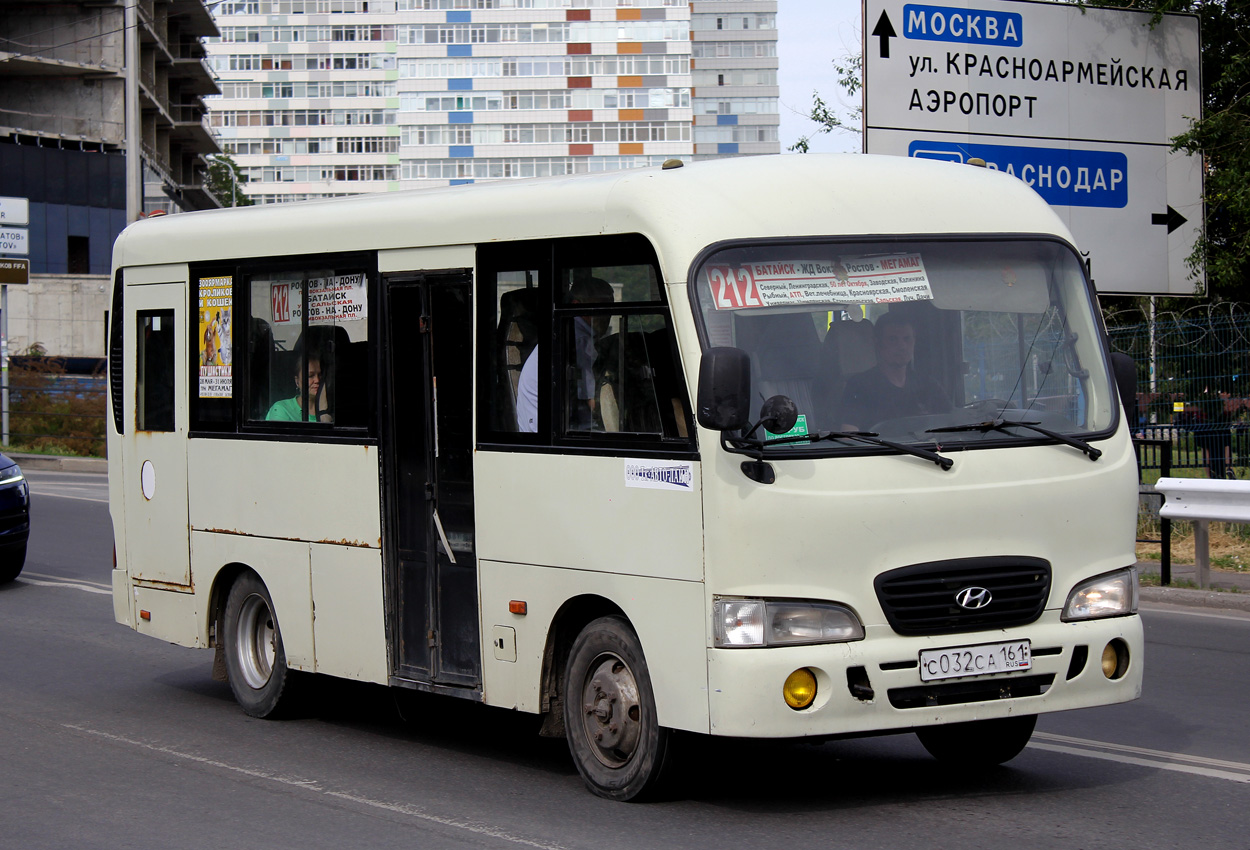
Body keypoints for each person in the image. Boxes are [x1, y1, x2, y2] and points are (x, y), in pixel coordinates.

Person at [514, 277, 615, 432]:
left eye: (611, 309)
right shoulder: (577, 340)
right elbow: (591, 403)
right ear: (577, 307)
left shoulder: (568, 331)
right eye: (602, 308)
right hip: (546, 432)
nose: (607, 316)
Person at [839, 311, 949, 430]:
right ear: (877, 343)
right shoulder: (859, 387)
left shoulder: (928, 385)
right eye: (893, 339)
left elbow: (952, 425)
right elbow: (849, 437)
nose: (902, 346)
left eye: (907, 339)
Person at [266, 354, 331, 422]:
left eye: (320, 375)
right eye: (310, 376)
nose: (317, 380)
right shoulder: (282, 409)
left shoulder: (333, 411)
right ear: (297, 381)